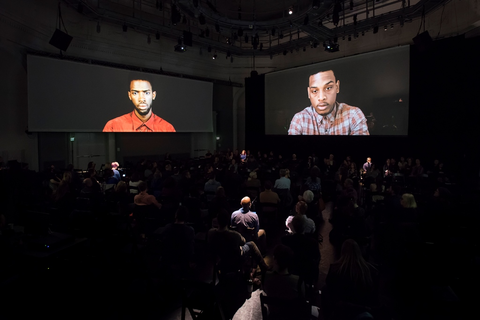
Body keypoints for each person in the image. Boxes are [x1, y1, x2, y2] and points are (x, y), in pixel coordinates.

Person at [288, 70, 369, 135]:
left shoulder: (353, 115)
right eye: (315, 91)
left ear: (337, 87)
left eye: (328, 88)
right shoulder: (300, 120)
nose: (321, 97)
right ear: (309, 93)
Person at [103, 79, 176, 132]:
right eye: (135, 93)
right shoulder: (113, 126)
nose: (141, 99)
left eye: (146, 93)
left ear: (153, 95)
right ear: (129, 95)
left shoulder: (167, 128)